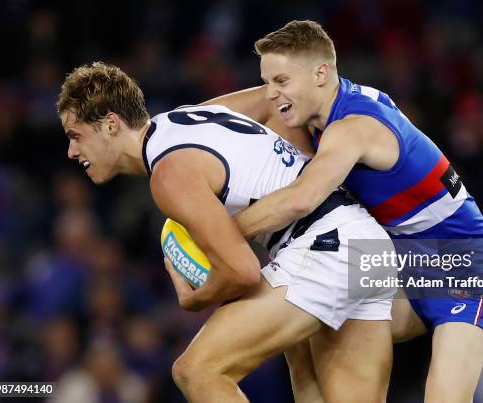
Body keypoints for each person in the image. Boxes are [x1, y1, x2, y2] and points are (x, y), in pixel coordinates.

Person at [56, 62, 394, 403]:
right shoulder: (188, 117)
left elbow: (242, 272)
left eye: (76, 135)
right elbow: (271, 99)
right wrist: (300, 169)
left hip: (325, 248)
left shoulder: (168, 174)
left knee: (197, 370)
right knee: (309, 377)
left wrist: (195, 299)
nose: (71, 151)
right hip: (363, 238)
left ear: (111, 124)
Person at [215, 20, 483, 403]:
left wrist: (218, 234)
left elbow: (300, 199)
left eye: (281, 82)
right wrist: (166, 130)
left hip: (467, 265)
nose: (270, 94)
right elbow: (216, 115)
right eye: (267, 81)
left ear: (320, 74)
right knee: (309, 316)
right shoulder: (327, 102)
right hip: (404, 260)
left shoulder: (352, 128)